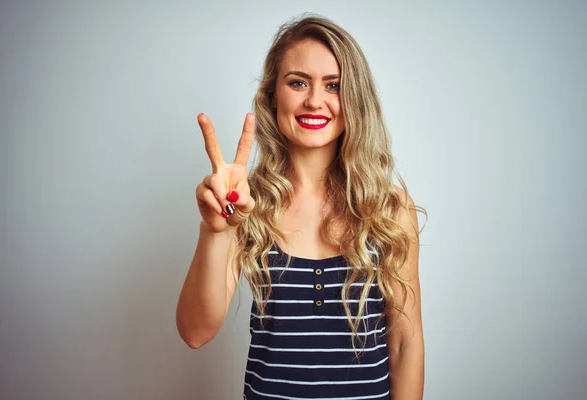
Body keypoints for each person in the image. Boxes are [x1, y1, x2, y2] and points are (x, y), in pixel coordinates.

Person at [176, 14, 425, 400]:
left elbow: (406, 344)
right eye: (297, 82)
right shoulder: (245, 205)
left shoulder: (389, 207)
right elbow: (195, 332)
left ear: (354, 96)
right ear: (273, 95)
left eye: (333, 85)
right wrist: (216, 231)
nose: (314, 100)